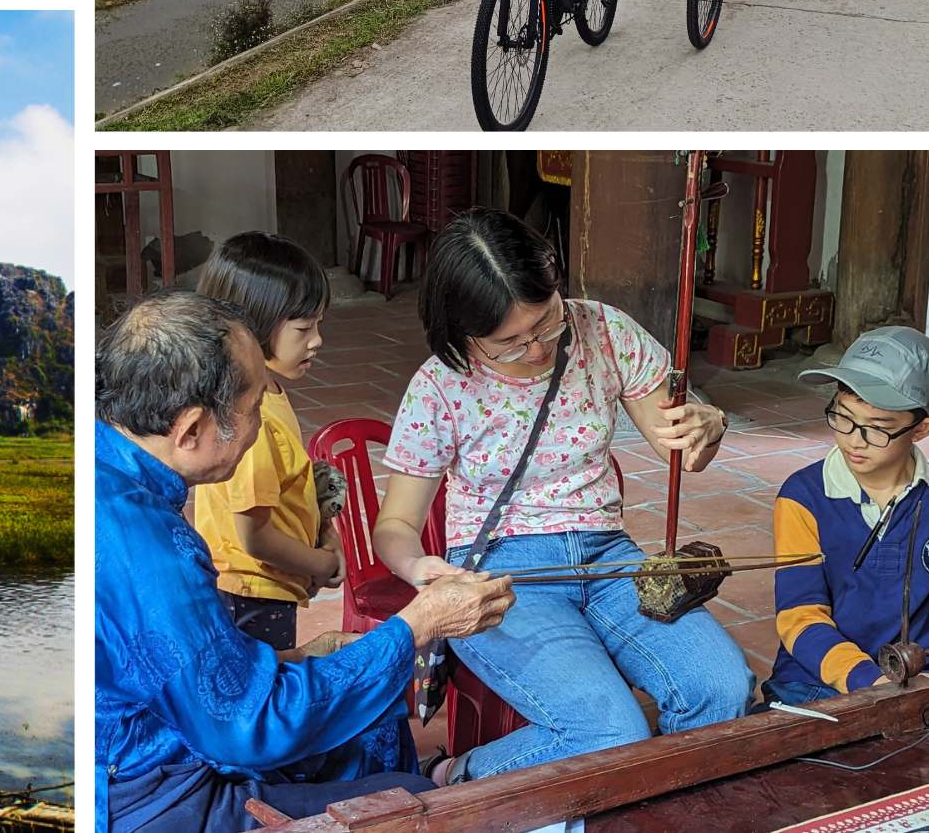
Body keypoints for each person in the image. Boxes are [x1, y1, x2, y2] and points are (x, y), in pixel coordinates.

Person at [97, 290, 513, 830]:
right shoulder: (148, 549)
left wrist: (293, 658)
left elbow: (164, 661)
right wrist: (419, 623)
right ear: (192, 430)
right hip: (152, 794)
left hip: (180, 729)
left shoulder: (111, 464)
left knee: (376, 714)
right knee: (413, 803)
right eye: (252, 408)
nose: (256, 424)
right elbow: (246, 728)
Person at [373, 209, 752, 786]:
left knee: (722, 688)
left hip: (609, 558)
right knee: (611, 733)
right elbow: (395, 523)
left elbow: (683, 449)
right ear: (460, 330)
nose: (535, 349)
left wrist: (708, 425)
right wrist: (419, 567)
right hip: (502, 578)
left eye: (546, 323)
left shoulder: (603, 330)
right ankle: (459, 777)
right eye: (508, 342)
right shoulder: (439, 386)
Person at [189, 233, 341, 649]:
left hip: (266, 584)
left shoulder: (267, 391)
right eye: (304, 328)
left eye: (319, 325)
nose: (317, 340)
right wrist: (319, 562)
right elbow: (253, 537)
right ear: (251, 329)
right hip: (250, 592)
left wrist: (323, 532)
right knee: (260, 695)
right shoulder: (250, 423)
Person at [768, 327, 929, 704]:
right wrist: (867, 681)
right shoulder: (803, 497)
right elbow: (799, 616)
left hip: (915, 678)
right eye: (843, 418)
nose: (855, 440)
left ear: (921, 428)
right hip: (813, 680)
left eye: (878, 429)